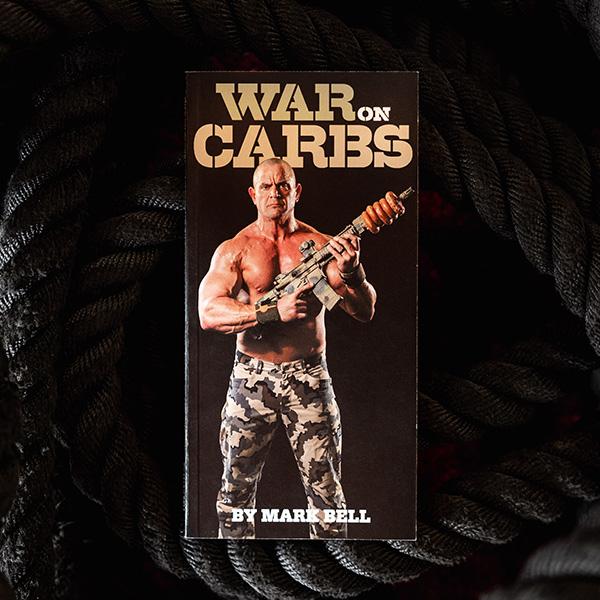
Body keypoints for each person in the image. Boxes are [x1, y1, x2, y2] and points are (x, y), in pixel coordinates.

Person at [198, 157, 390, 538]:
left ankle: (330, 566)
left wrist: (352, 272)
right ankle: (234, 565)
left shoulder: (320, 245)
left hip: (308, 376)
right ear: (253, 195)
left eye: (283, 185)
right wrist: (272, 311)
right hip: (251, 378)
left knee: (328, 498)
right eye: (266, 187)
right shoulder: (235, 250)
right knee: (234, 495)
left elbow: (364, 310)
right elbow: (208, 312)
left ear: (296, 192)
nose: (276, 193)